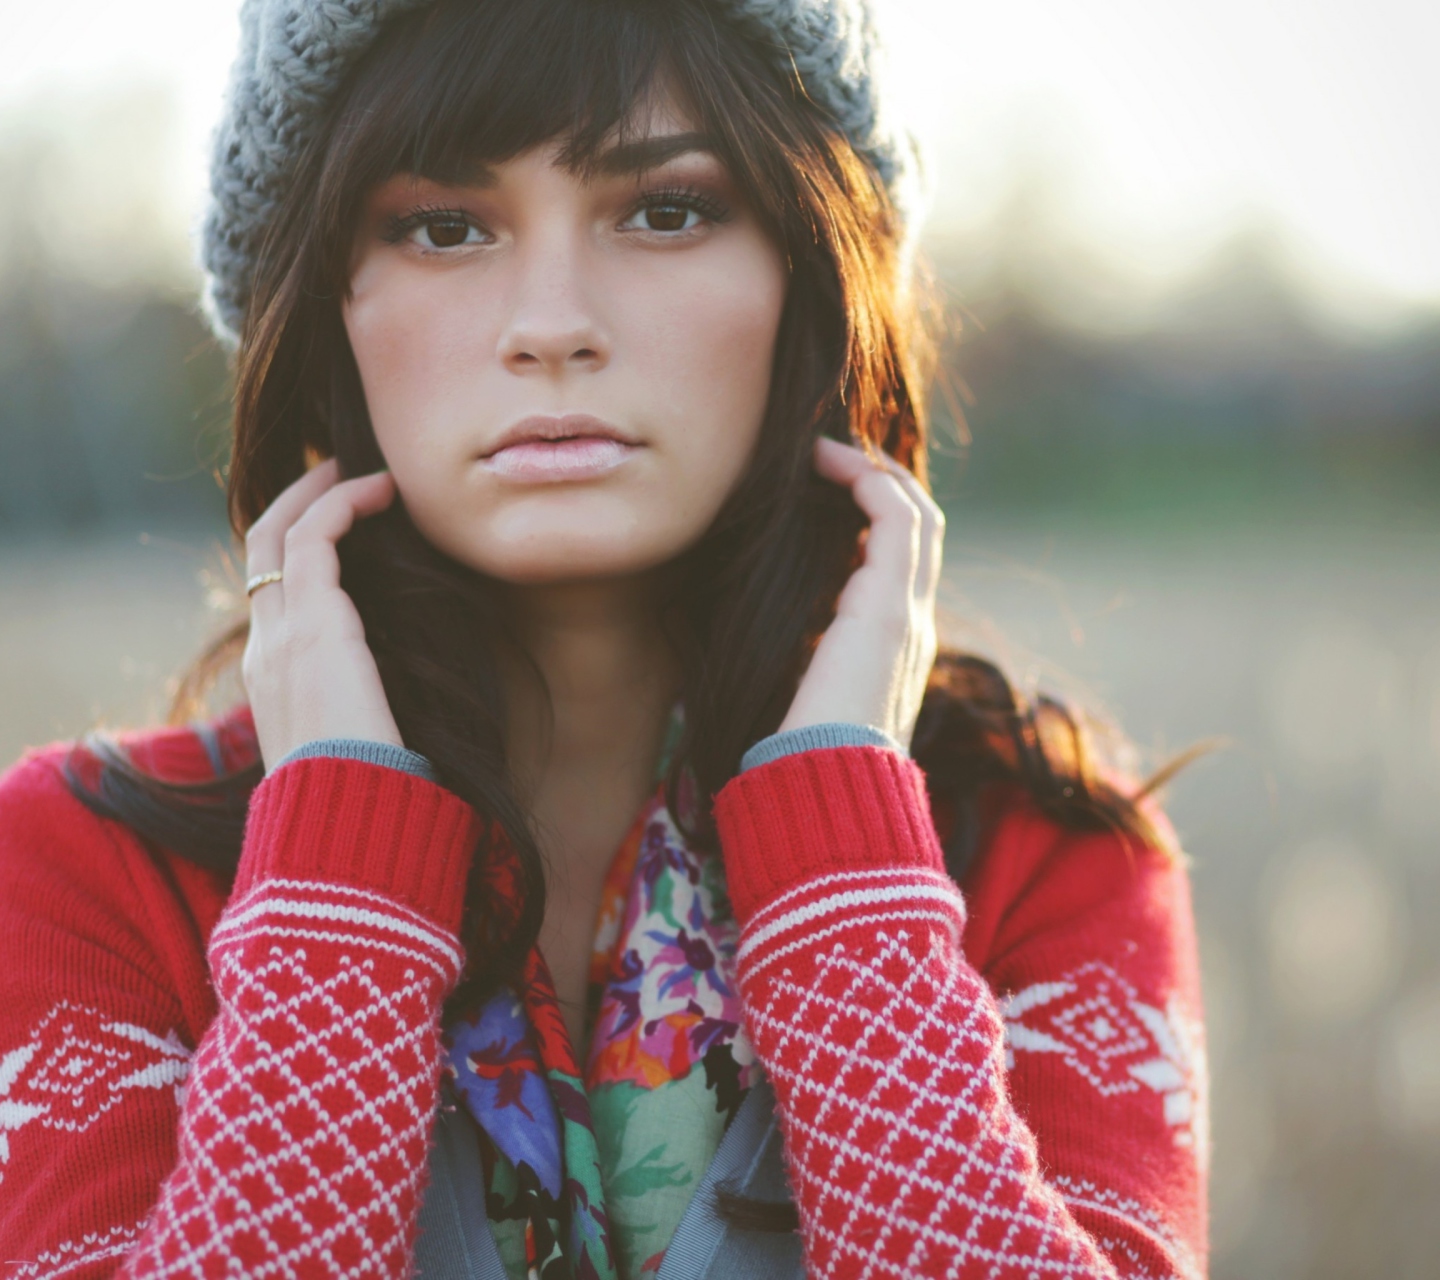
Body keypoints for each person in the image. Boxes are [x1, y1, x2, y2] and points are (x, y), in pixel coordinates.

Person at [0, 0, 1208, 1276]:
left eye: (665, 209)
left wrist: (849, 871)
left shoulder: (1040, 850)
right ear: (319, 312)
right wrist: (336, 894)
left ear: (810, 268)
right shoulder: (87, 869)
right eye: (444, 225)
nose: (554, 323)